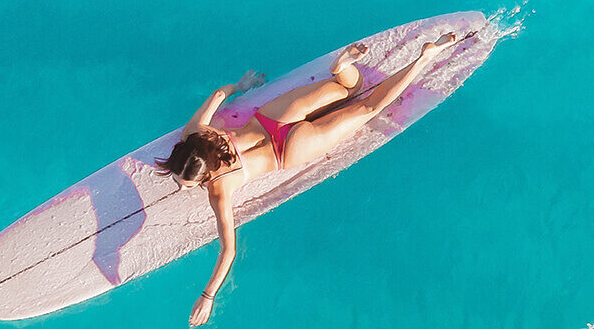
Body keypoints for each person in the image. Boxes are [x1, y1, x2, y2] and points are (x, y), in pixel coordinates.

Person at [154, 33, 463, 325]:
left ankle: (424, 59)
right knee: (349, 89)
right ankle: (342, 68)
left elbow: (228, 251)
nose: (182, 186)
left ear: (205, 173)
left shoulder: (219, 191)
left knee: (370, 107)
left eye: (187, 182)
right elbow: (220, 95)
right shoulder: (194, 133)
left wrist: (208, 296)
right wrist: (242, 84)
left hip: (287, 151)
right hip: (272, 117)